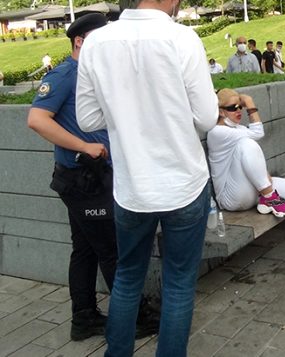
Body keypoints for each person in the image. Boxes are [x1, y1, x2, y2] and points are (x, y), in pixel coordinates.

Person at [75, 0, 219, 354]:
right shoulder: (182, 38)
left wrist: (126, 109)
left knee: (126, 278)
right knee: (179, 284)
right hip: (184, 182)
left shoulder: (96, 42)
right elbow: (206, 118)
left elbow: (88, 119)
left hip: (132, 187)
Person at [26, 13, 159, 343]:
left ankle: (83, 318)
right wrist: (85, 146)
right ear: (80, 42)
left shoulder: (92, 74)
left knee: (84, 249)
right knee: (111, 249)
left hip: (92, 178)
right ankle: (135, 318)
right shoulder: (65, 74)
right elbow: (37, 119)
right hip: (83, 180)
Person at [207, 89, 285, 271]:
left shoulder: (238, 129)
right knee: (247, 144)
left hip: (254, 189)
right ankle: (269, 196)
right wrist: (250, 102)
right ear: (221, 111)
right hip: (231, 198)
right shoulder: (216, 132)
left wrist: (264, 176)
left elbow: (253, 145)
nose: (239, 110)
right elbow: (258, 133)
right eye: (233, 108)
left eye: (240, 106)